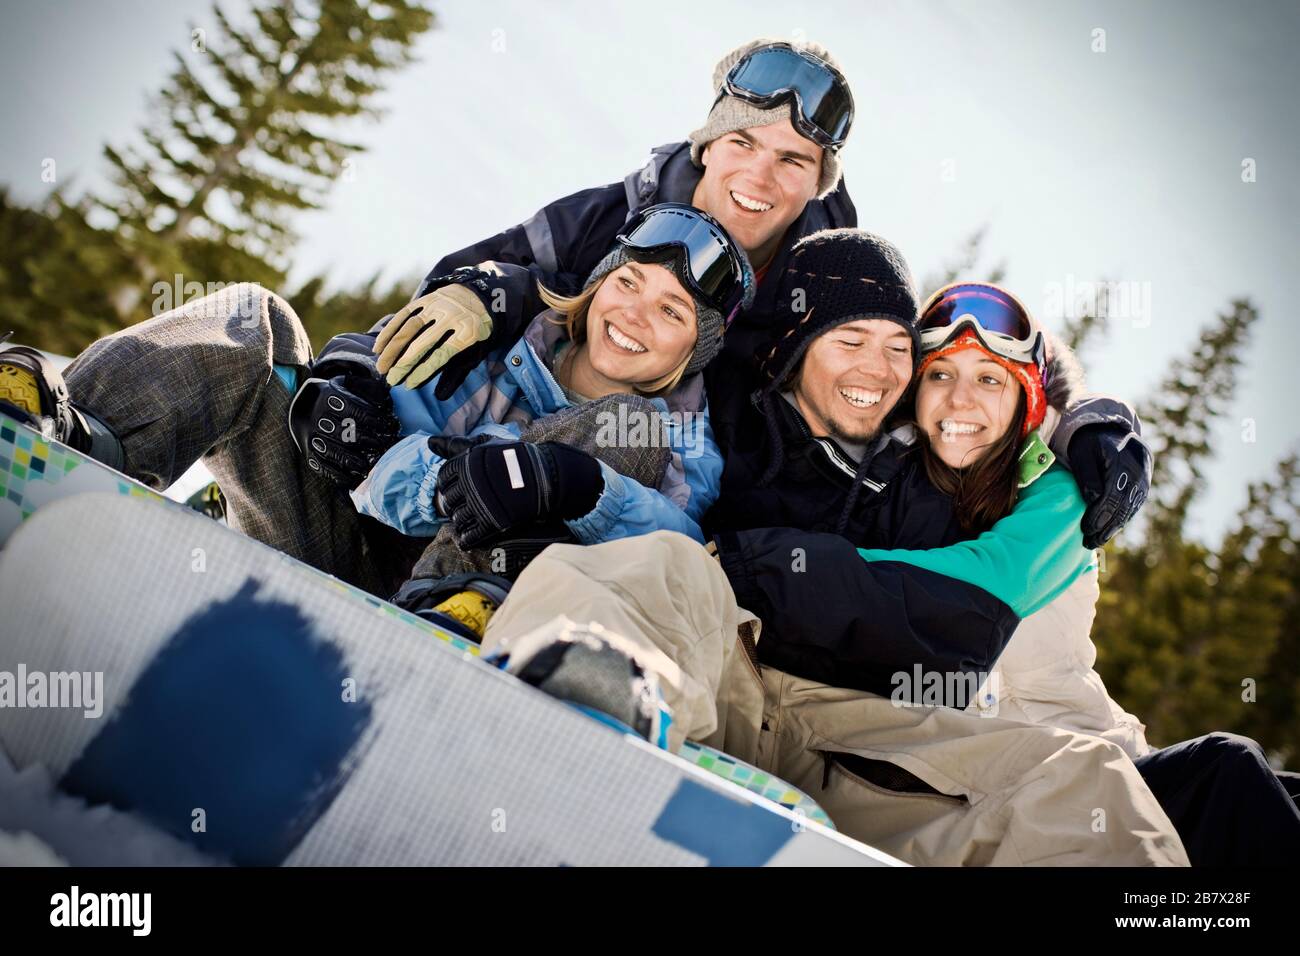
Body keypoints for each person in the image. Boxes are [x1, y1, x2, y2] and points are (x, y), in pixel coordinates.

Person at [474, 229, 1188, 866]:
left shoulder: (933, 468)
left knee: (1083, 778)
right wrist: (487, 289)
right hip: (713, 664)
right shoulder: (729, 407)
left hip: (851, 735)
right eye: (851, 342)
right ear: (792, 346)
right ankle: (579, 707)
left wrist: (1089, 424)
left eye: (898, 350)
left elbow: (1005, 432)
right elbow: (620, 308)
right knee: (664, 564)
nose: (877, 371)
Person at [342, 37, 1151, 553]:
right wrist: (483, 290)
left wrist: (1082, 420)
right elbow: (485, 274)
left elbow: (957, 352)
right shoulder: (610, 218)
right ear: (708, 143)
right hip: (473, 443)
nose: (760, 177)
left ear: (817, 180)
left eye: (794, 161)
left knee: (618, 433)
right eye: (743, 143)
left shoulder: (826, 281)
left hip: (662, 504)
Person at [866, 280, 1300, 866]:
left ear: (1026, 400)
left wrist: (1098, 422)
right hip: (1016, 790)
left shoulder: (1062, 490)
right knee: (1231, 769)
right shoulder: (887, 485)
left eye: (989, 378)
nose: (960, 401)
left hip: (1108, 763)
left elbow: (999, 574)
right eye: (941, 375)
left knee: (1253, 781)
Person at [354, 204, 752, 643]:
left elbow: (677, 555)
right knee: (265, 318)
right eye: (627, 283)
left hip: (502, 612)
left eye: (671, 311)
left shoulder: (686, 441)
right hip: (371, 550)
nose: (635, 315)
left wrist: (581, 488)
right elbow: (372, 465)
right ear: (599, 285)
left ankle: (451, 601)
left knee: (627, 423)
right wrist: (461, 477)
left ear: (695, 349)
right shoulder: (502, 347)